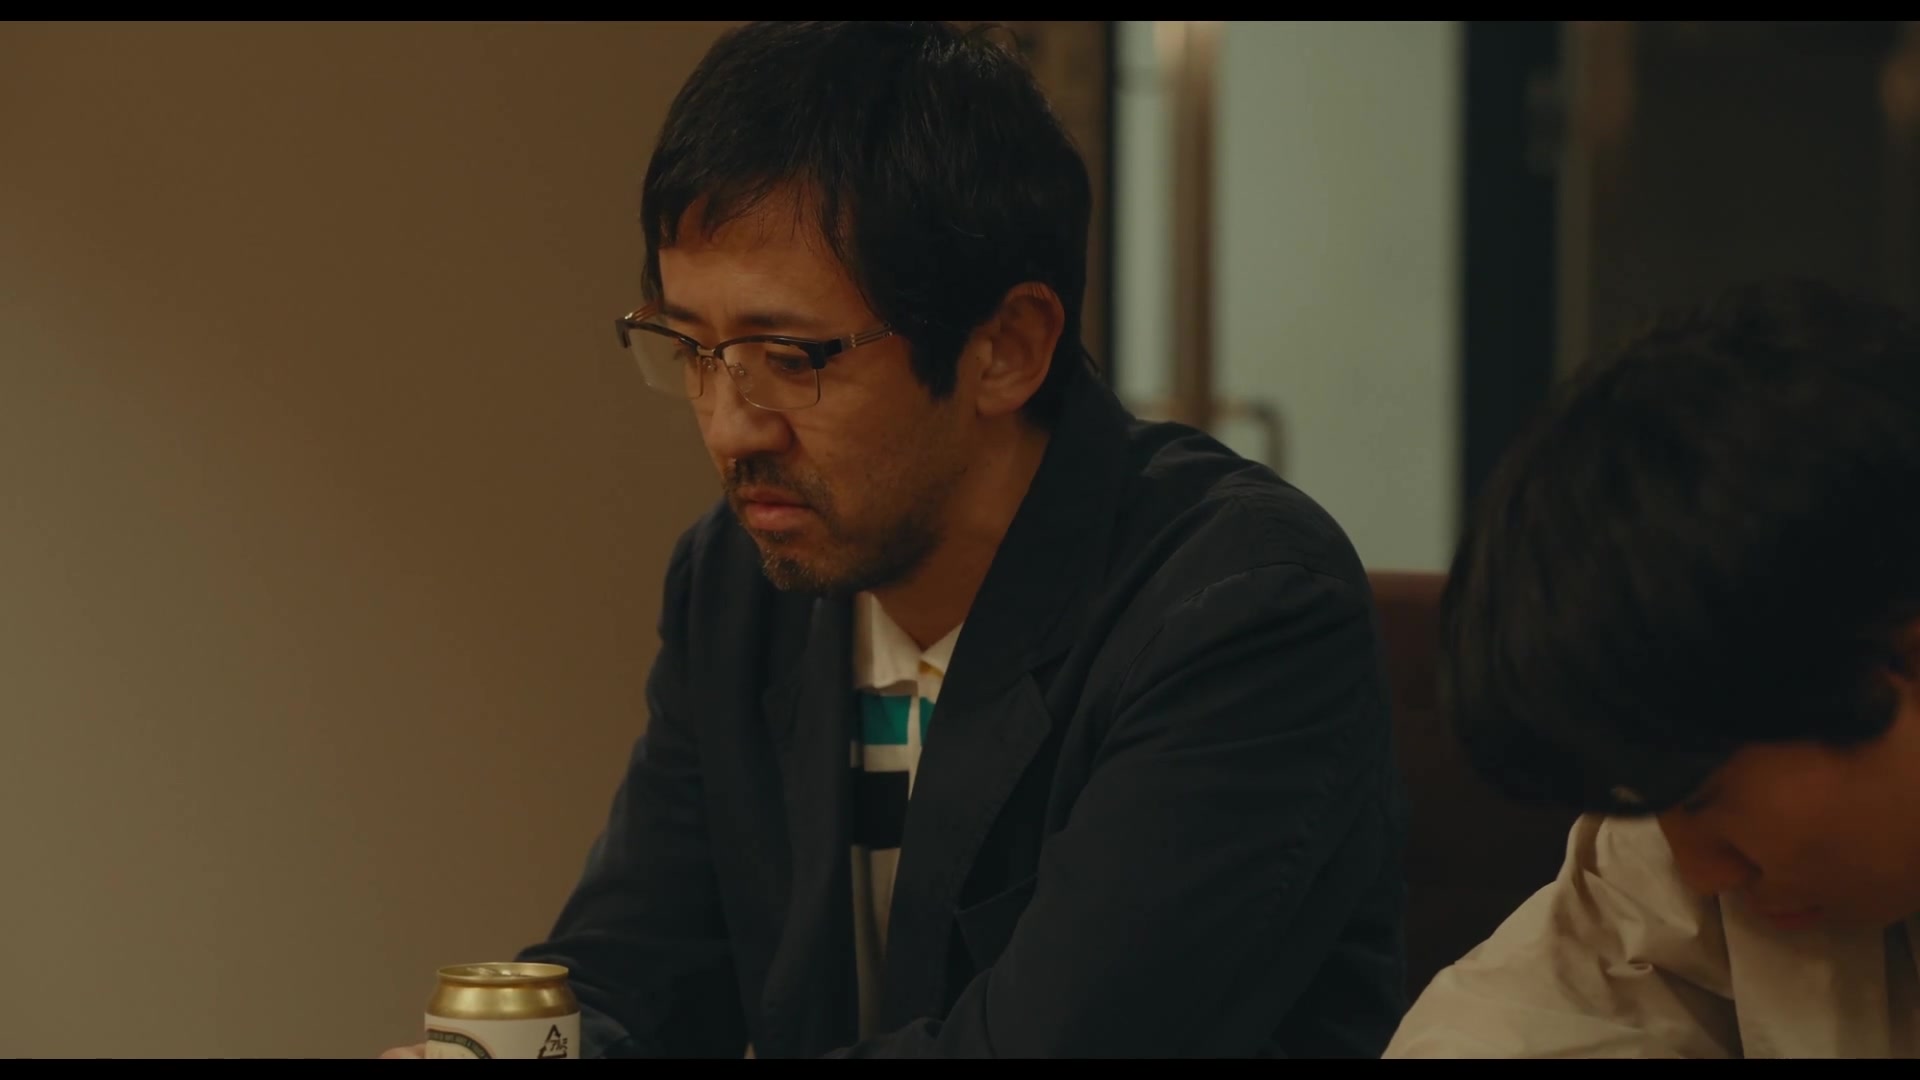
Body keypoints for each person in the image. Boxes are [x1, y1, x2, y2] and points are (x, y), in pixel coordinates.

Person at [384, 20, 1406, 1059]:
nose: (731, 428)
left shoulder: (1239, 609)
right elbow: (633, 970)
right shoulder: (738, 586)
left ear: (1006, 349)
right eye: (689, 348)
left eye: (790, 357)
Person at [1384, 278, 1920, 1059]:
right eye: (1655, 805)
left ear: (1902, 655)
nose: (1701, 870)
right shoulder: (1687, 845)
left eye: (1704, 800)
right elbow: (1516, 1020)